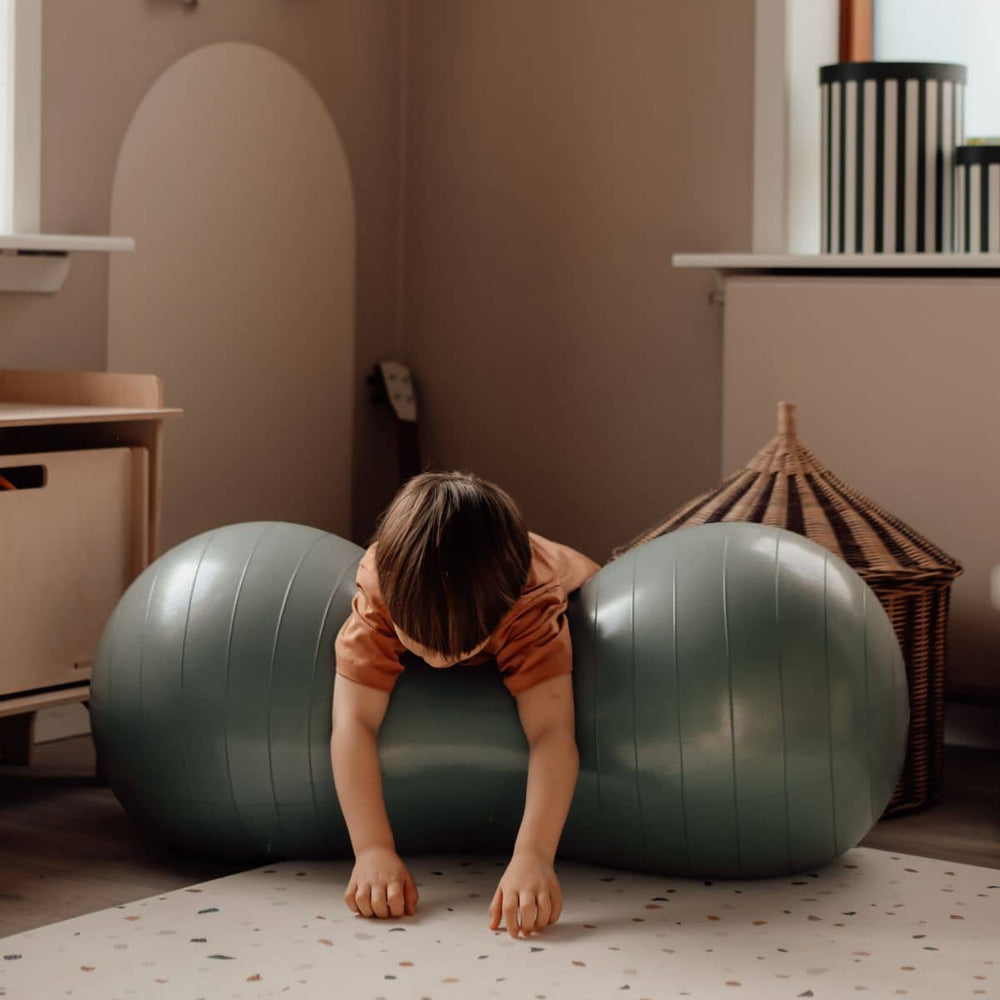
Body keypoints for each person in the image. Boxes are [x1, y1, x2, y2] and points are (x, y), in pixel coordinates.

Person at [331, 471, 599, 938]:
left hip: (565, 577)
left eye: (463, 647)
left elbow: (552, 733)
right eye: (422, 643)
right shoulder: (381, 588)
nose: (440, 659)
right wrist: (372, 849)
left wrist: (533, 857)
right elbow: (352, 721)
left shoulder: (526, 605)